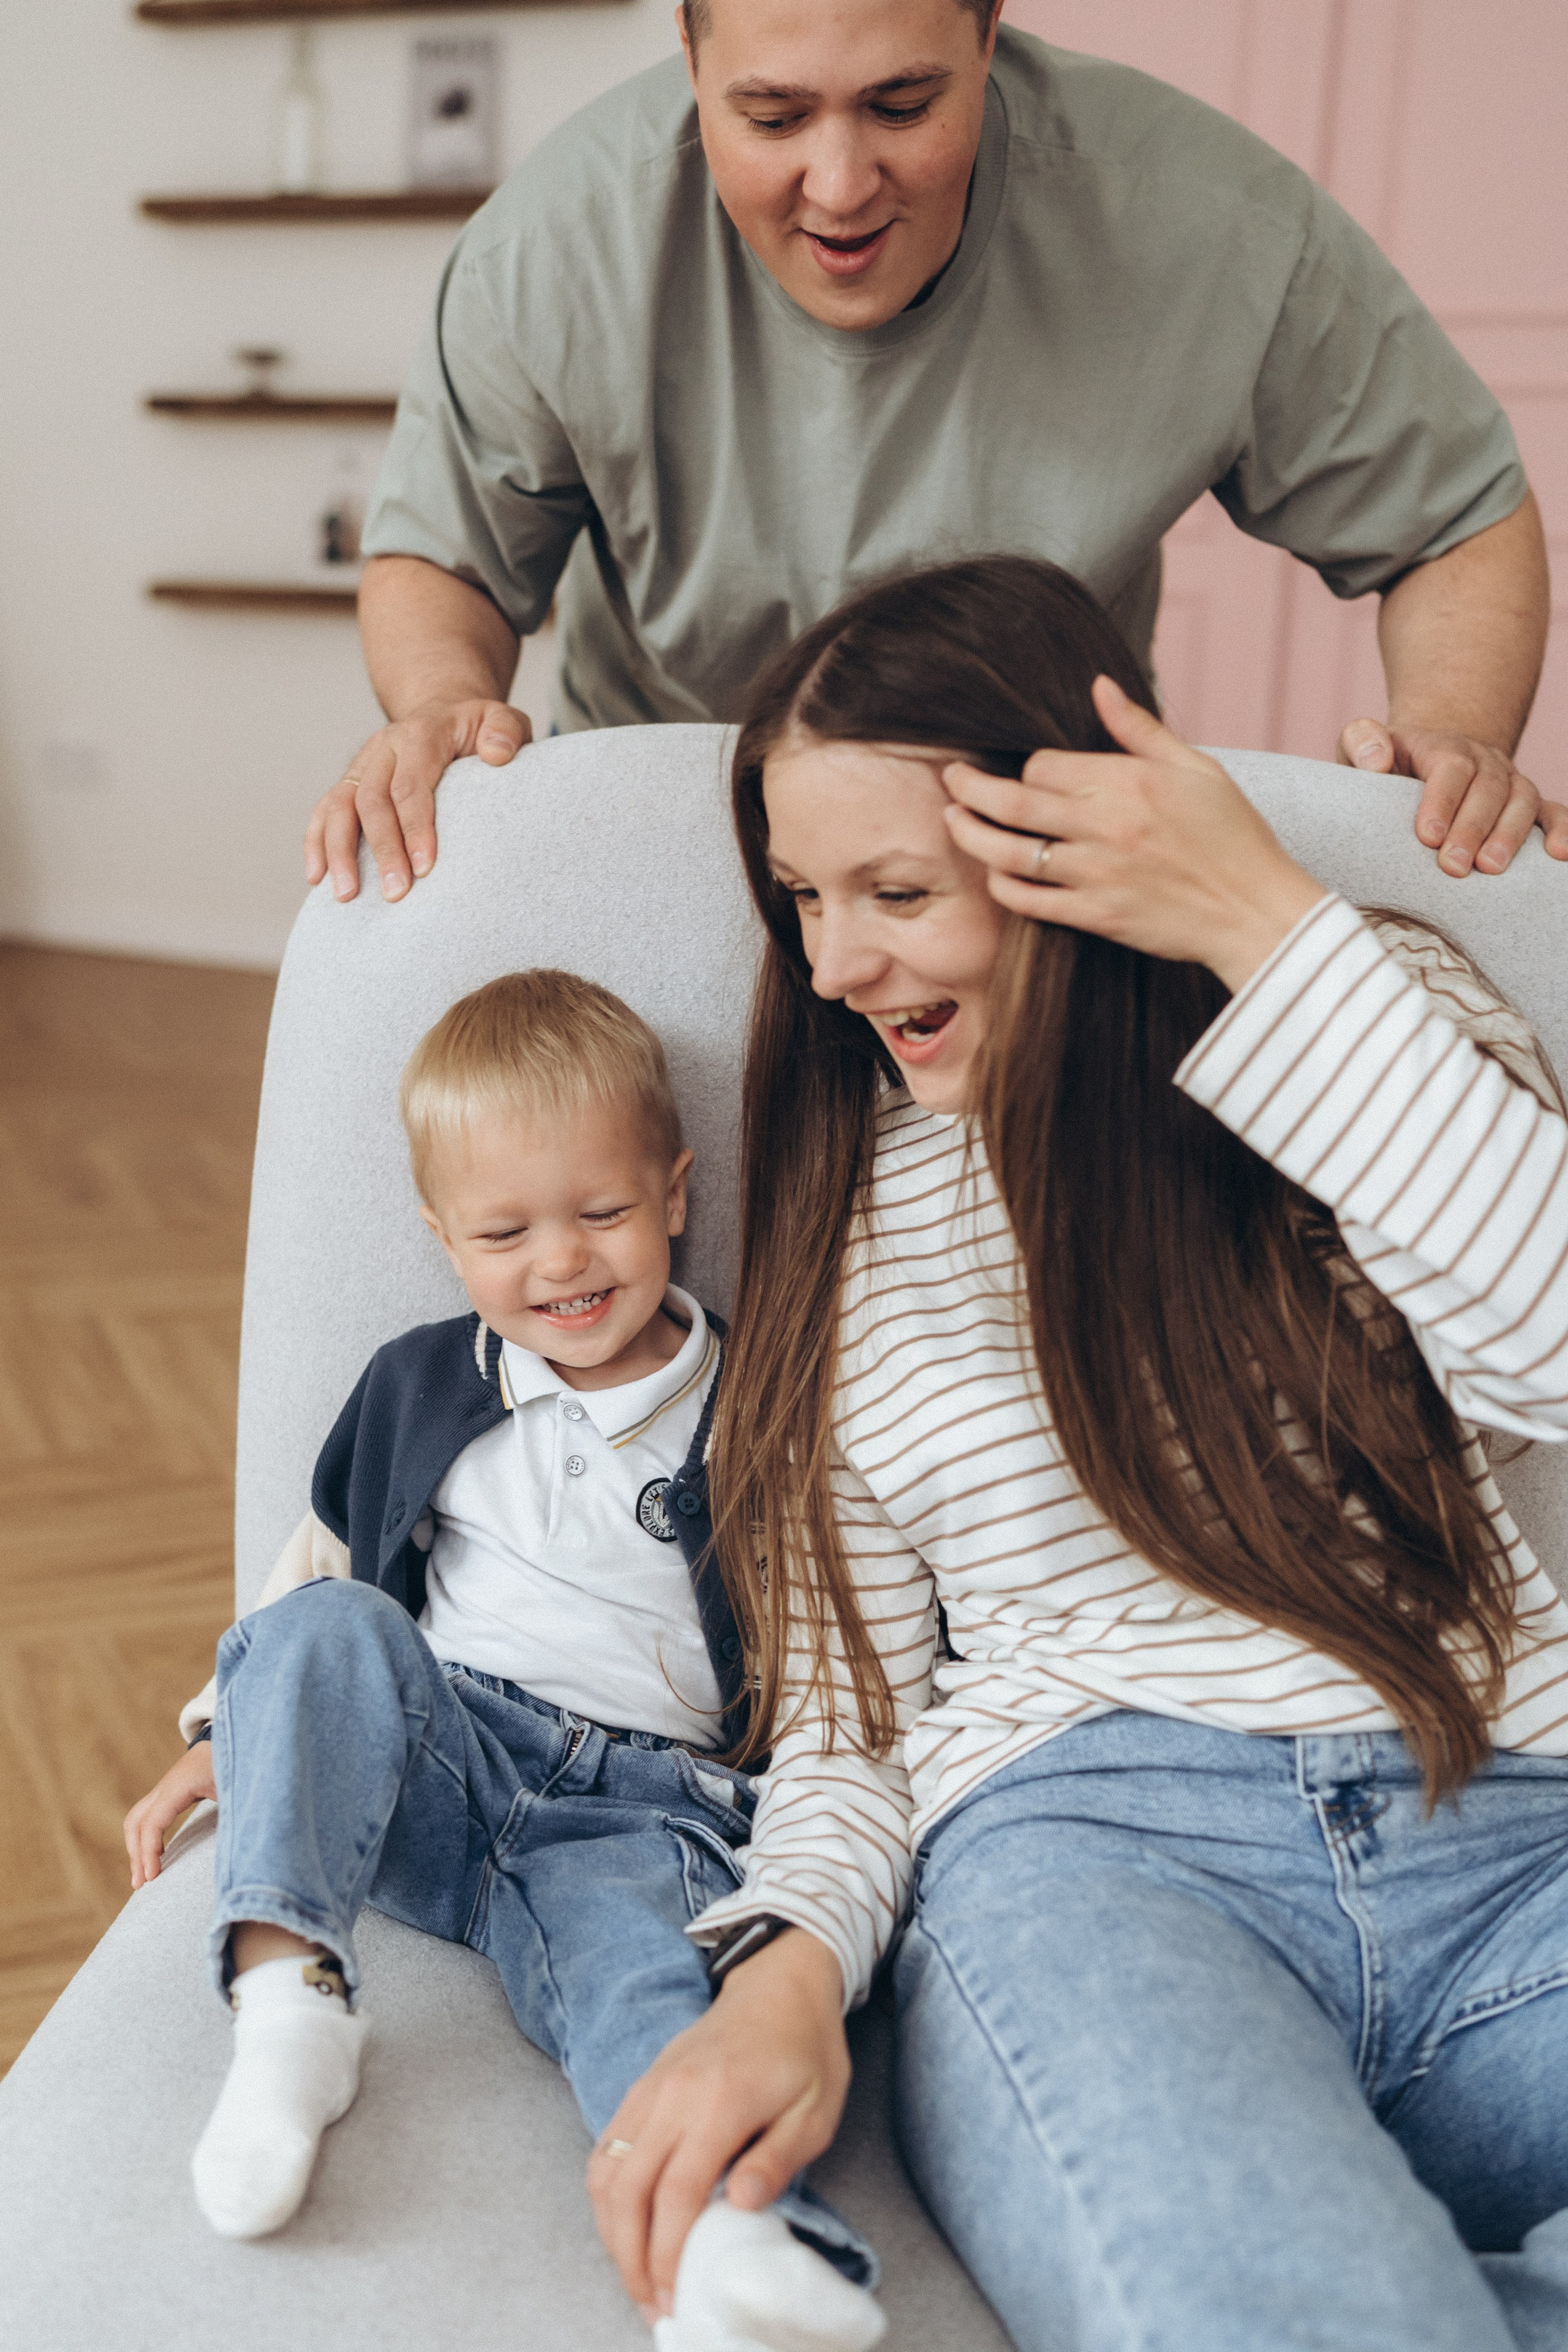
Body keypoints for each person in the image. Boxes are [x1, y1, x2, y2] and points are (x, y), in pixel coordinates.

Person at [586, 557, 1568, 2349]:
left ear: (1087, 847)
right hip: (1097, 1861)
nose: (834, 964)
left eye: (895, 892)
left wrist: (1258, 917)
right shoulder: (843, 1197)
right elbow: (850, 1706)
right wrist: (791, 1963)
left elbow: (1552, 1351)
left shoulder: (1345, 1016)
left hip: (1513, 1819)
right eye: (802, 897)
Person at [307, 0, 1566, 912]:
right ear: (688, 54)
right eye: (772, 116)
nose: (839, 185)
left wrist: (1449, 735)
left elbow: (1454, 521)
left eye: (902, 106)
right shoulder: (552, 246)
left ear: (989, 30)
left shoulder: (1211, 224)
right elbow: (444, 558)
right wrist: (439, 705)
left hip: (1040, 860)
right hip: (674, 834)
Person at [121, 968, 884, 2352]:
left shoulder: (760, 1401)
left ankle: (720, 2237)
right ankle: (291, 2005)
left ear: (675, 1195)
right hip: (442, 1756)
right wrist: (224, 1732)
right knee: (326, 1627)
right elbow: (320, 1573)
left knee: (644, 1985)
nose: (561, 1264)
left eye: (602, 1213)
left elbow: (835, 1640)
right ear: (443, 1239)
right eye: (505, 1232)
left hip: (643, 1811)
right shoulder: (420, 1380)